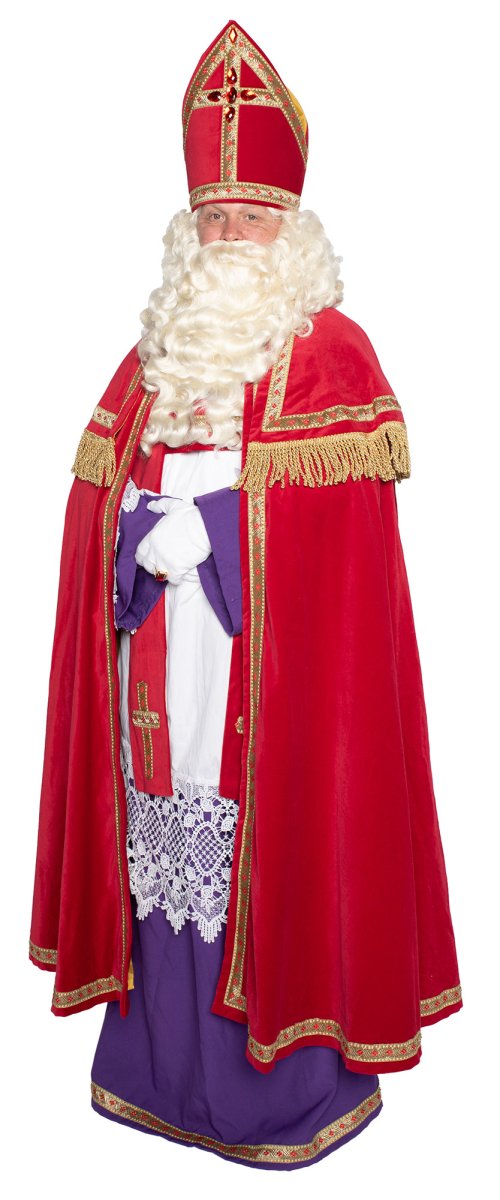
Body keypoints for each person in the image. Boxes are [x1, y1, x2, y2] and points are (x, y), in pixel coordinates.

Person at [29, 19, 462, 1171]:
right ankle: (155, 1076)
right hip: (156, 669)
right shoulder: (149, 364)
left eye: (251, 217)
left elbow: (347, 548)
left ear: (291, 230)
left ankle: (281, 1097)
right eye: (213, 218)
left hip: (272, 690)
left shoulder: (335, 357)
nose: (228, 237)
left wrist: (214, 533)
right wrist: (135, 541)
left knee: (273, 863)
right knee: (160, 852)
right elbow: (90, 518)